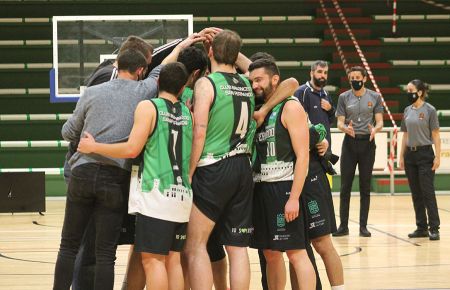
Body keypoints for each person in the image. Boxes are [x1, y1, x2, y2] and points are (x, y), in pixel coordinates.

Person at [78, 62, 193, 290]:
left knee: (152, 260)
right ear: (182, 89)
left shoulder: (149, 107)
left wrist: (94, 147)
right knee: (173, 260)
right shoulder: (187, 113)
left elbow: (131, 149)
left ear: (158, 82)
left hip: (156, 193)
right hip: (182, 193)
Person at [249, 58, 315, 290]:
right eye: (252, 81)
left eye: (259, 80)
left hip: (284, 187)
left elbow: (303, 156)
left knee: (296, 253)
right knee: (270, 253)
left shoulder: (291, 106)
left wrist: (294, 197)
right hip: (261, 188)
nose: (254, 85)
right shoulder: (259, 108)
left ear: (274, 79)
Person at [295, 61, 344, 289]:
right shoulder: (301, 93)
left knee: (322, 243)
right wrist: (317, 141)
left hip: (318, 169)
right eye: (319, 71)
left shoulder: (325, 94)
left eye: (326, 72)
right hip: (298, 170)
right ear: (311, 73)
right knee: (297, 247)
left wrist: (330, 111)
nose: (323, 75)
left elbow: (327, 124)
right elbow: (303, 126)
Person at [333, 66, 384, 237]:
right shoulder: (343, 97)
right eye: (351, 78)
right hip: (350, 143)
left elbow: (380, 122)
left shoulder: (375, 97)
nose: (354, 80)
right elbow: (339, 122)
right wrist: (345, 128)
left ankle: (363, 226)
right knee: (345, 186)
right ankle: (343, 226)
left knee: (365, 186)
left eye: (357, 77)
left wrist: (375, 130)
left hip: (367, 144)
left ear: (364, 78)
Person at [399, 79, 441, 241]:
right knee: (416, 193)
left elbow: (436, 135)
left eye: (411, 90)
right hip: (410, 155)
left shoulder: (430, 110)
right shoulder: (407, 110)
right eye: (407, 90)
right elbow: (405, 134)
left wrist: (437, 156)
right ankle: (421, 227)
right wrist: (401, 156)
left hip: (425, 155)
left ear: (420, 92)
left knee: (427, 192)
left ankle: (434, 227)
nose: (409, 93)